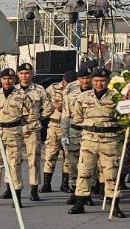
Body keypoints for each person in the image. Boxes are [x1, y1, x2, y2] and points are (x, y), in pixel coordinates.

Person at [68, 68, 125, 217]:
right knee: (84, 171)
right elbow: (78, 118)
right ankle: (80, 202)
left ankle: (115, 204)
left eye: (103, 81)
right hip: (89, 139)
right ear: (92, 81)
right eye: (96, 81)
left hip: (109, 140)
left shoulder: (116, 97)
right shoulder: (83, 97)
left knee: (111, 172)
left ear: (108, 81)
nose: (99, 84)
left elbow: (123, 120)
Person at [0, 67, 29, 206]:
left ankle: (17, 197)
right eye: (4, 78)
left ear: (14, 79)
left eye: (10, 78)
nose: (7, 81)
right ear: (1, 80)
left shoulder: (22, 95)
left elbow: (31, 113)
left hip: (14, 133)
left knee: (15, 166)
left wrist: (22, 125)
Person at [62, 67, 93, 203]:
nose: (85, 81)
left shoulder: (96, 94)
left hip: (90, 132)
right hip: (74, 132)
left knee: (90, 164)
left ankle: (87, 194)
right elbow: (65, 116)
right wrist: (64, 135)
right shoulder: (71, 96)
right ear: (78, 79)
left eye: (87, 78)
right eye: (82, 78)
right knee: (73, 163)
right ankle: (74, 191)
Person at [42, 71, 74, 193]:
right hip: (54, 126)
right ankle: (46, 184)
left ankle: (64, 184)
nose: (68, 85)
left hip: (70, 126)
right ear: (63, 80)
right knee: (50, 155)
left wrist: (62, 106)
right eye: (67, 82)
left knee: (68, 157)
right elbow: (45, 101)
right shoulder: (53, 88)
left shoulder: (77, 89)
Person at [16, 63, 47, 192]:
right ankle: (10, 186)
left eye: (27, 73)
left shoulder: (39, 90)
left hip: (33, 128)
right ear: (18, 75)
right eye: (22, 73)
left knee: (33, 159)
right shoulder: (13, 89)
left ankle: (34, 189)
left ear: (32, 74)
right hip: (15, 128)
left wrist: (38, 117)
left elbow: (48, 107)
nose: (24, 76)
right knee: (13, 159)